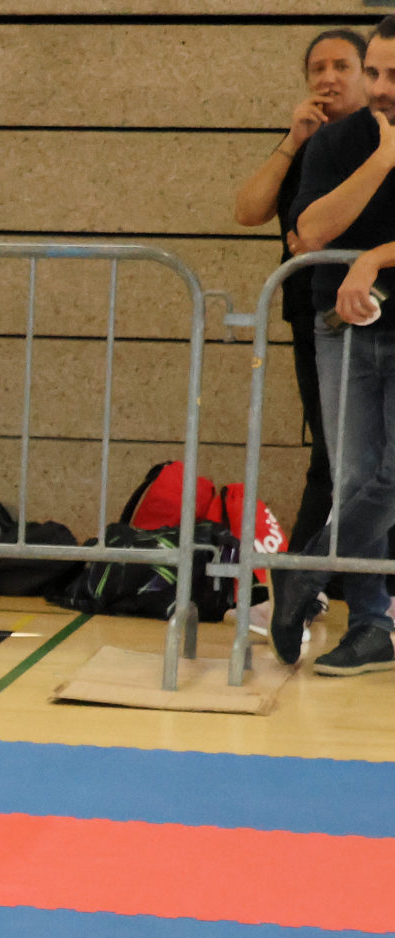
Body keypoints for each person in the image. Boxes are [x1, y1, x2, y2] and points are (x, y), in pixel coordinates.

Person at [233, 25, 368, 656]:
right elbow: (250, 210)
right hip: (311, 312)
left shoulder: (376, 142)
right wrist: (292, 141)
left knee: (369, 462)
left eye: (342, 66)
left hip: (373, 311)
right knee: (331, 456)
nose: (328, 78)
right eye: (318, 68)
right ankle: (303, 588)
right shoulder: (309, 145)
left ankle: (318, 584)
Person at [285, 17, 395, 677]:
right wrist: (382, 159)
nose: (380, 88)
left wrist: (375, 258)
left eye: (394, 75)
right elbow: (311, 233)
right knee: (353, 479)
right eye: (374, 72)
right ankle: (370, 625)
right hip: (342, 331)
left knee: (392, 478)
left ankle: (303, 572)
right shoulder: (338, 142)